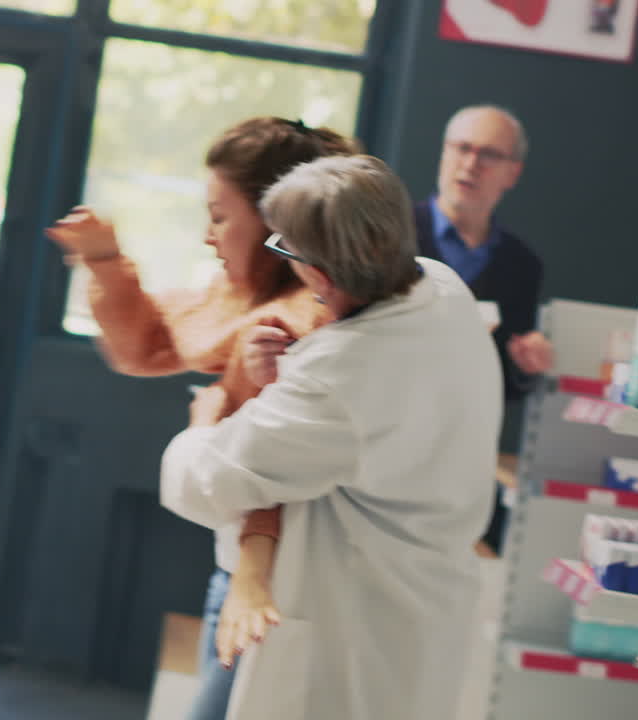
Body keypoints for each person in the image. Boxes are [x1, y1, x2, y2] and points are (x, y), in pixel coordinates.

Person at [160, 154, 503, 720]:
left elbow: (207, 481)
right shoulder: (442, 289)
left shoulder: (341, 380)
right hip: (422, 611)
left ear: (318, 273)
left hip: (350, 636)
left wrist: (205, 420)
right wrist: (292, 372)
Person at [44, 117, 354, 720]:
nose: (207, 236)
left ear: (272, 220)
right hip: (244, 573)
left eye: (219, 216)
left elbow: (275, 467)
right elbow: (149, 341)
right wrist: (105, 260)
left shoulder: (291, 325)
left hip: (272, 587)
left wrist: (210, 426)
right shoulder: (248, 304)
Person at [414, 104, 554, 554]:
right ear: (443, 154)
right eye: (462, 148)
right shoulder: (392, 237)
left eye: (489, 154)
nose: (471, 163)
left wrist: (528, 368)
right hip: (382, 444)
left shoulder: (521, 266)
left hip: (463, 461)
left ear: (512, 173)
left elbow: (509, 389)